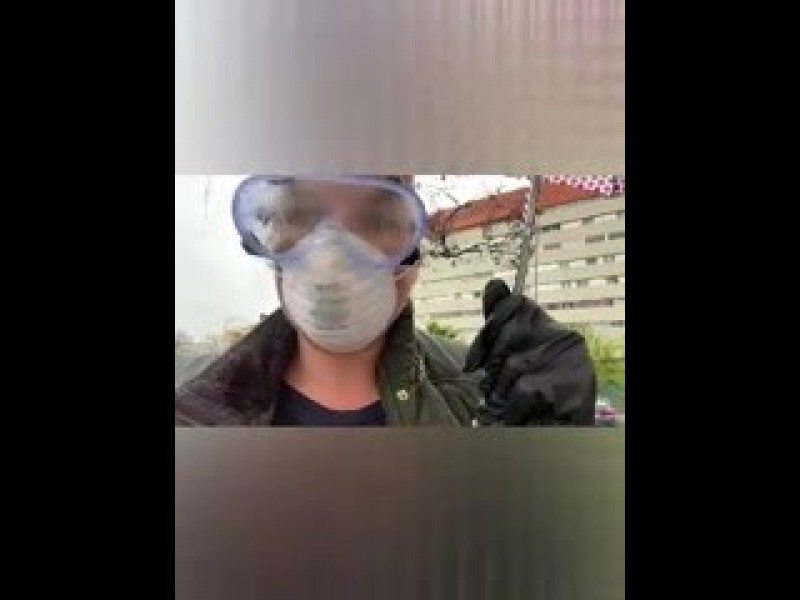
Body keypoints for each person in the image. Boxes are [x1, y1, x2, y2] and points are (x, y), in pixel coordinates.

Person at [175, 175, 596, 426]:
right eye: (301, 215)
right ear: (269, 236)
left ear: (415, 247)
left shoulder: (484, 393)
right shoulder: (192, 407)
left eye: (377, 220)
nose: (332, 259)